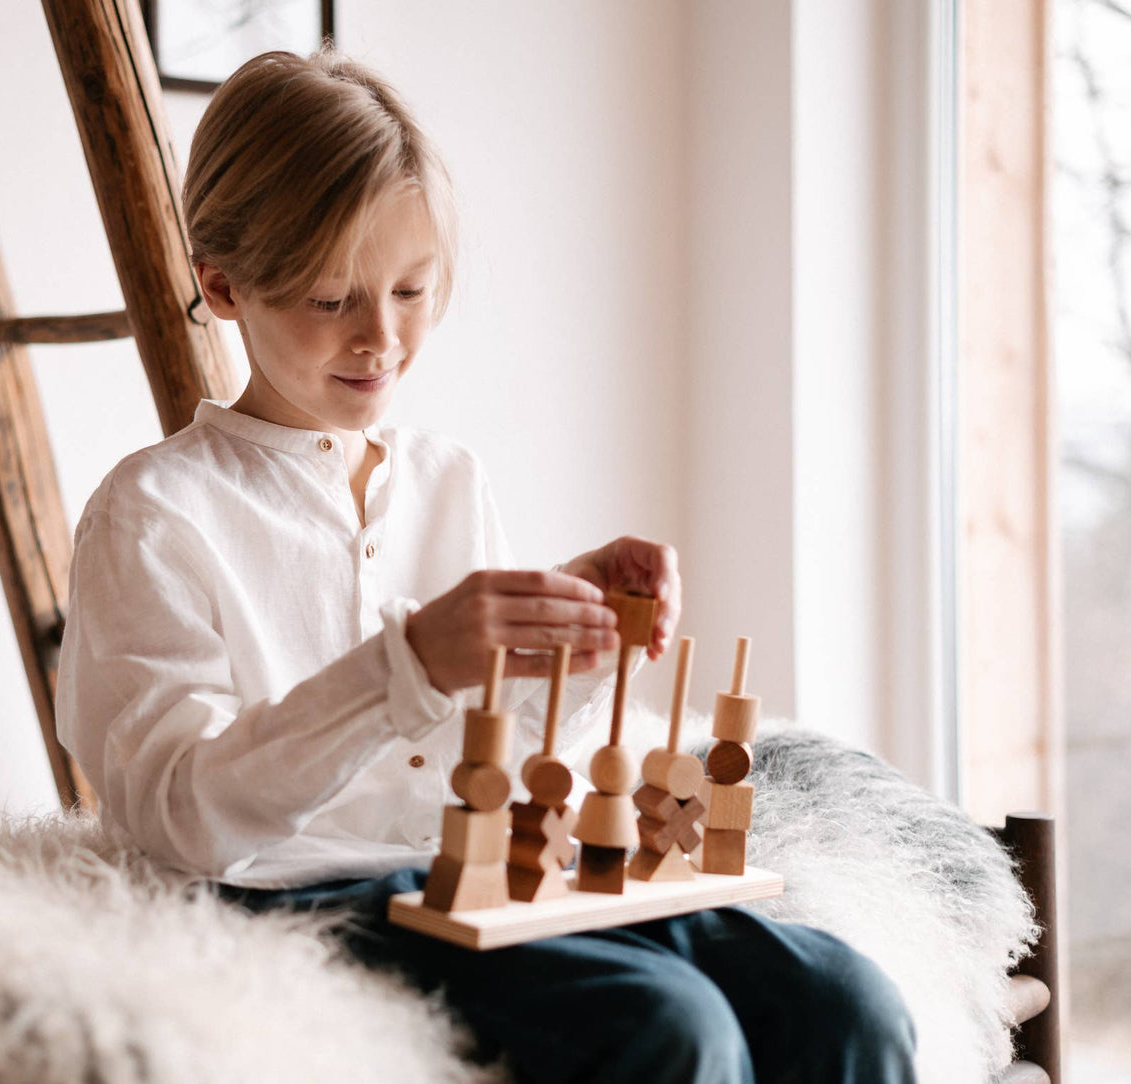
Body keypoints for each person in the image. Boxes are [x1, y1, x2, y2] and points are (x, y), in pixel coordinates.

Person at [56, 47, 917, 1083]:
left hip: (489, 873)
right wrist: (404, 663)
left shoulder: (446, 477)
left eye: (413, 290)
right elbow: (174, 812)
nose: (382, 336)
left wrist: (579, 630)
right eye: (333, 299)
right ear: (223, 286)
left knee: (846, 997)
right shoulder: (152, 512)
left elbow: (497, 739)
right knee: (670, 1027)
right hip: (293, 893)